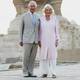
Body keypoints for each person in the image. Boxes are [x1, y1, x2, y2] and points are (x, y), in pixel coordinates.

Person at [38, 4, 60, 78]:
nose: (48, 11)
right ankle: (45, 73)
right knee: (44, 57)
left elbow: (57, 30)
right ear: (44, 11)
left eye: (49, 10)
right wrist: (39, 40)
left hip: (52, 40)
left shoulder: (55, 19)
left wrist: (57, 39)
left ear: (51, 11)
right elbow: (39, 31)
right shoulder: (41, 19)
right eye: (46, 10)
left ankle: (54, 73)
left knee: (53, 57)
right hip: (43, 40)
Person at [19, 1, 39, 77]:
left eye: (34, 6)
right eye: (31, 6)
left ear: (35, 7)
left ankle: (31, 72)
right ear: (28, 7)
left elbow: (39, 29)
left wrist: (39, 39)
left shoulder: (38, 16)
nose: (32, 7)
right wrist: (20, 40)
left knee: (32, 58)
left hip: (36, 40)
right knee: (26, 57)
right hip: (27, 40)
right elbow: (21, 29)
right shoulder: (24, 16)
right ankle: (25, 72)